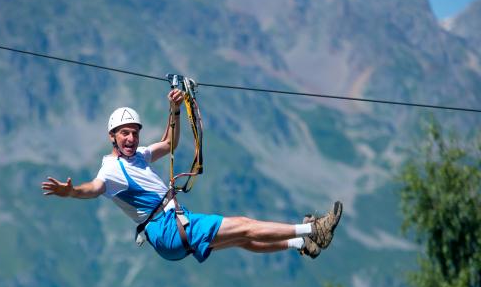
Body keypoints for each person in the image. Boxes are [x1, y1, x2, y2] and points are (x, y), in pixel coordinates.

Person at [41, 89, 343, 263]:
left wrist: (173, 109)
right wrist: (71, 191)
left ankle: (300, 245)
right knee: (246, 225)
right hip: (169, 229)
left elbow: (170, 143)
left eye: (133, 133)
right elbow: (94, 188)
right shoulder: (111, 170)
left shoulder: (140, 156)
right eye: (124, 134)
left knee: (240, 237)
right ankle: (313, 230)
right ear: (112, 137)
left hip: (170, 232)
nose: (131, 139)